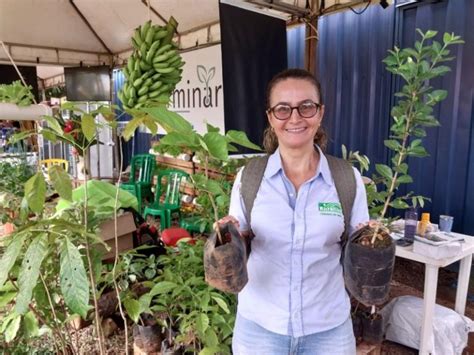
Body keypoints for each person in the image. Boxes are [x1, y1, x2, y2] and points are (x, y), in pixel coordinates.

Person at [218, 68, 369, 354]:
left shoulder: (346, 179)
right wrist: (229, 237)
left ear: (320, 112)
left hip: (328, 330)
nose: (295, 118)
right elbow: (239, 242)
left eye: (306, 107)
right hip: (260, 329)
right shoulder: (249, 178)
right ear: (270, 117)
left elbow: (360, 246)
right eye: (283, 109)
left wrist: (371, 242)